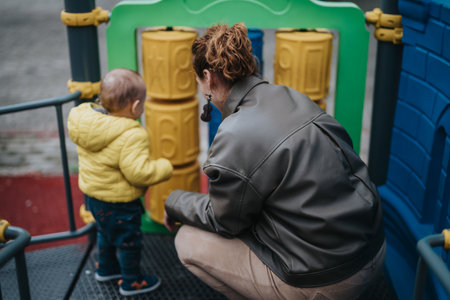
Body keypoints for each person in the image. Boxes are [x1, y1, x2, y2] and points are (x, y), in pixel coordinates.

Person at [164, 23, 385, 300]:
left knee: (188, 240)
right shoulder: (293, 96)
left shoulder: (235, 132)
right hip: (373, 249)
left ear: (208, 78)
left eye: (198, 81)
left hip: (329, 279)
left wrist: (173, 202)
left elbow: (225, 221)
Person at [68, 68, 173, 297]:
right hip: (119, 202)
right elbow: (138, 173)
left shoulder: (87, 123)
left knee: (106, 233)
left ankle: (106, 269)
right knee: (129, 240)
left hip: (93, 198)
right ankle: (131, 281)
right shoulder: (132, 134)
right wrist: (164, 168)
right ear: (135, 107)